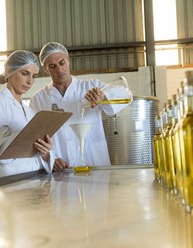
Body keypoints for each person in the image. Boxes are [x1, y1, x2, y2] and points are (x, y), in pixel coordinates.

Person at [28, 42, 130, 171]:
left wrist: (103, 96)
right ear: (46, 69)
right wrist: (50, 158)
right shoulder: (38, 100)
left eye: (62, 62)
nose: (59, 70)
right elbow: (34, 140)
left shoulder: (91, 86)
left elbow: (125, 94)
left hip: (94, 163)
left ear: (68, 61)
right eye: (52, 66)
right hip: (62, 169)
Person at [0, 50, 55, 178]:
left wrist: (45, 152)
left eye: (34, 76)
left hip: (34, 176)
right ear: (10, 71)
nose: (30, 81)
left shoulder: (29, 111)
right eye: (25, 73)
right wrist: (24, 135)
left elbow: (37, 153)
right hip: (10, 179)